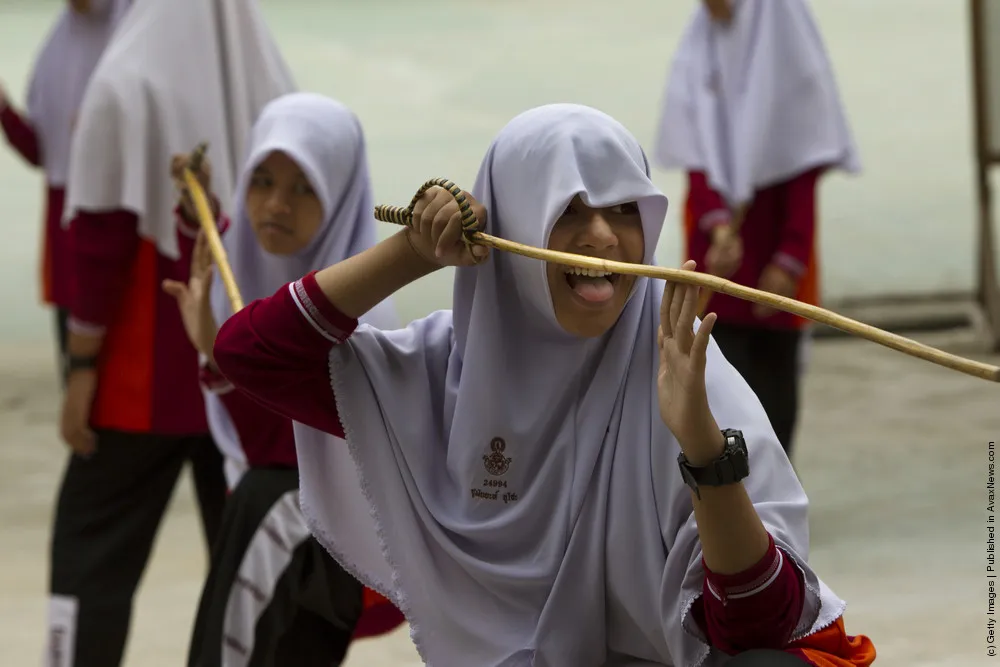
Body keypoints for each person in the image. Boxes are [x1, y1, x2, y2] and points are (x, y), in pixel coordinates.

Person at [211, 103, 875, 665]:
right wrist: (412, 252)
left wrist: (704, 449)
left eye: (624, 210)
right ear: (513, 228)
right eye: (569, 209)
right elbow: (249, 356)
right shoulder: (437, 373)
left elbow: (755, 631)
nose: (602, 237)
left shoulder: (682, 371)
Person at [48, 0, 296, 663]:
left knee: (90, 557)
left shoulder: (122, 81)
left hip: (140, 381)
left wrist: (80, 368)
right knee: (245, 573)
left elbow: (99, 237)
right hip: (244, 379)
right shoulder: (274, 83)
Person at [164, 92, 405, 667]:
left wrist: (216, 356)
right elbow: (212, 266)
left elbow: (282, 451)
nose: (276, 204)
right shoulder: (248, 261)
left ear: (340, 198)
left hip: (319, 535)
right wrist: (194, 211)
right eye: (263, 180)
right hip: (283, 528)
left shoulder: (359, 316)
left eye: (305, 189)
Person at [654, 0, 861, 457]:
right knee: (714, 379)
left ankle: (772, 484)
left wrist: (790, 258)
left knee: (774, 392)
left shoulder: (789, 48)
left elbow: (803, 160)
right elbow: (695, 153)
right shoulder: (701, 46)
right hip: (716, 256)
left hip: (775, 252)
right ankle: (721, 482)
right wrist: (717, 227)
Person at [0, 0, 131, 382]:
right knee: (73, 362)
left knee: (118, 366)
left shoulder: (129, 47)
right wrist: (4, 110)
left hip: (119, 223)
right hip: (65, 226)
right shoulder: (59, 45)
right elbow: (42, 152)